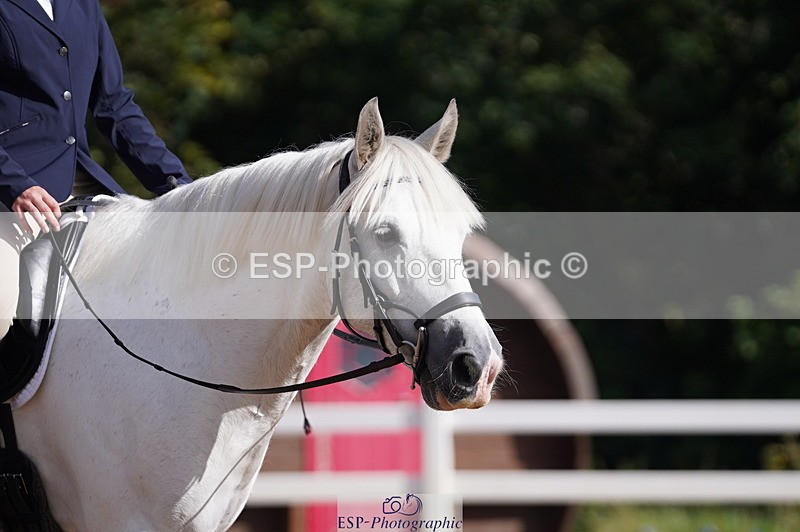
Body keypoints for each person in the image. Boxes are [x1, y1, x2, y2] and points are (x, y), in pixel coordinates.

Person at [0, 0, 191, 337]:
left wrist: (177, 186)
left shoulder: (82, 5)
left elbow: (114, 105)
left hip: (81, 179)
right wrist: (14, 184)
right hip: (13, 194)